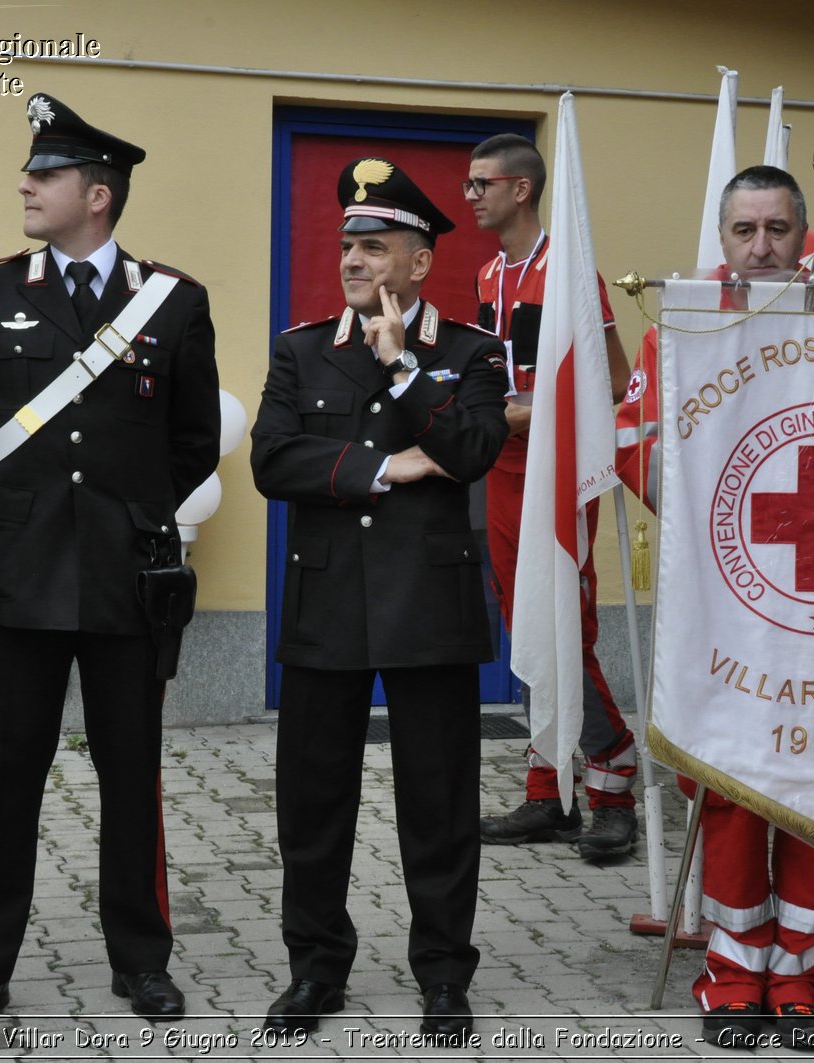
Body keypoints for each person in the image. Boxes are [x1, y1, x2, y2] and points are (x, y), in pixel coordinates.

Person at [0, 94, 221, 1038]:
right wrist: (10, 517)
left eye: (44, 175)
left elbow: (193, 441)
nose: (25, 184)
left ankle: (142, 962)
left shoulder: (173, 301)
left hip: (129, 582)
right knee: (7, 777)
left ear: (98, 194)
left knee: (132, 777)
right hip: (18, 581)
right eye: (29, 171)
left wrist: (134, 520)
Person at [250, 157, 508, 1041]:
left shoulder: (471, 352)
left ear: (420, 260)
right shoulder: (301, 348)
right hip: (327, 608)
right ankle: (315, 968)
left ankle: (443, 973)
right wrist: (386, 466)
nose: (353, 260)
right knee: (313, 806)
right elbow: (271, 462)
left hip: (429, 612)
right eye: (348, 245)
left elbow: (472, 448)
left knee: (437, 807)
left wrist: (403, 368)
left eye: (373, 246)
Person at [615, 166, 814, 1053]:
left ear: (803, 233)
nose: (762, 248)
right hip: (724, 605)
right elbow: (637, 450)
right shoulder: (682, 325)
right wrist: (721, 514)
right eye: (745, 230)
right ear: (722, 238)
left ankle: (801, 972)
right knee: (733, 788)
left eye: (779, 229)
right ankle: (734, 965)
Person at [464, 133, 638, 861]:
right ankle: (549, 790)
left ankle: (612, 784)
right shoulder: (485, 273)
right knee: (523, 619)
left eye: (482, 184)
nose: (470, 195)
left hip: (557, 470)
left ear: (522, 189)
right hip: (497, 467)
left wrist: (534, 411)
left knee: (568, 622)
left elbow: (616, 380)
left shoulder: (570, 273)